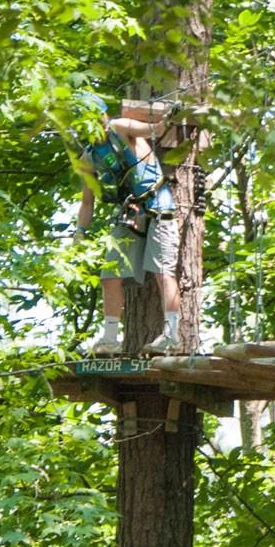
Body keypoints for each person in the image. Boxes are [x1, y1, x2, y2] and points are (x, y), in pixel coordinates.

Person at [74, 92, 185, 357]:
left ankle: (172, 335)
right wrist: (80, 231)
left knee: (162, 271)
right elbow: (87, 202)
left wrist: (169, 116)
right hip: (129, 213)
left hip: (158, 206)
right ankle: (110, 338)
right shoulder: (87, 158)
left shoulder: (119, 128)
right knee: (109, 273)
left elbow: (154, 129)